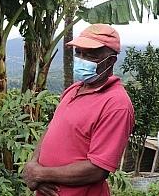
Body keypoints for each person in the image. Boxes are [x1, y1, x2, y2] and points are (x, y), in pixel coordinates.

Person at [23, 24, 135, 196]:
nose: (82, 59)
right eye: (79, 53)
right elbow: (51, 128)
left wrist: (40, 174)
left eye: (90, 56)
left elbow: (98, 169)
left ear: (111, 60)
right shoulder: (74, 89)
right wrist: (34, 166)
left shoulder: (116, 104)